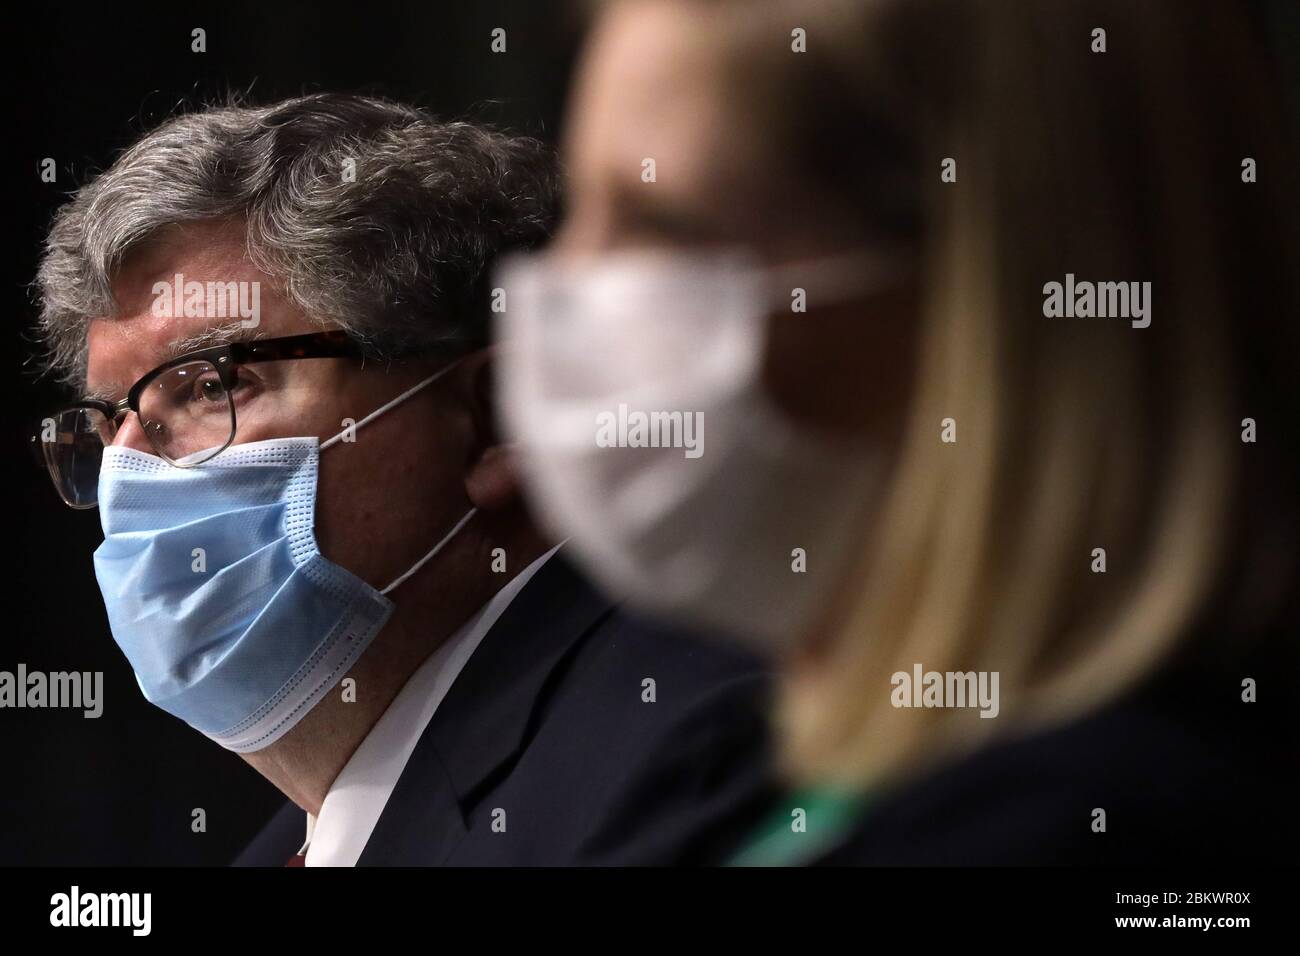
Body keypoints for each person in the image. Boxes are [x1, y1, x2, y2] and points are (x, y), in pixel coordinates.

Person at [495, 0, 1300, 864]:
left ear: (985, 300)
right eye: (577, 207)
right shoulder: (780, 763)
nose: (554, 291)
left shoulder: (1086, 828)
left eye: (663, 225)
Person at [31, 92, 775, 866]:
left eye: (211, 386)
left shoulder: (694, 755)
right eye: (109, 420)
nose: (129, 473)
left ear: (494, 418)